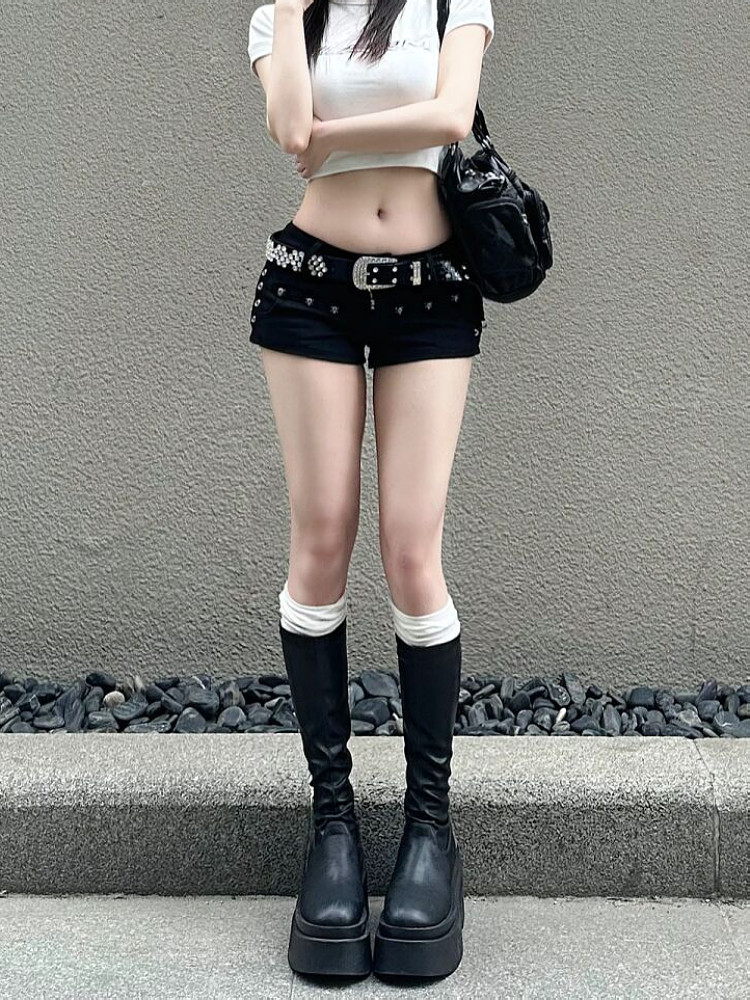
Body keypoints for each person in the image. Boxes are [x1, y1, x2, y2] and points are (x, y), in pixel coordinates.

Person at [246, 0, 494, 980]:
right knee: (320, 541)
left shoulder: (450, 3)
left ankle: (430, 833)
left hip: (432, 290)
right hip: (308, 286)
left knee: (410, 547)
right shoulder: (281, 19)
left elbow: (449, 116)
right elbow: (288, 131)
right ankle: (334, 831)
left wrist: (336, 137)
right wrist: (287, 11)